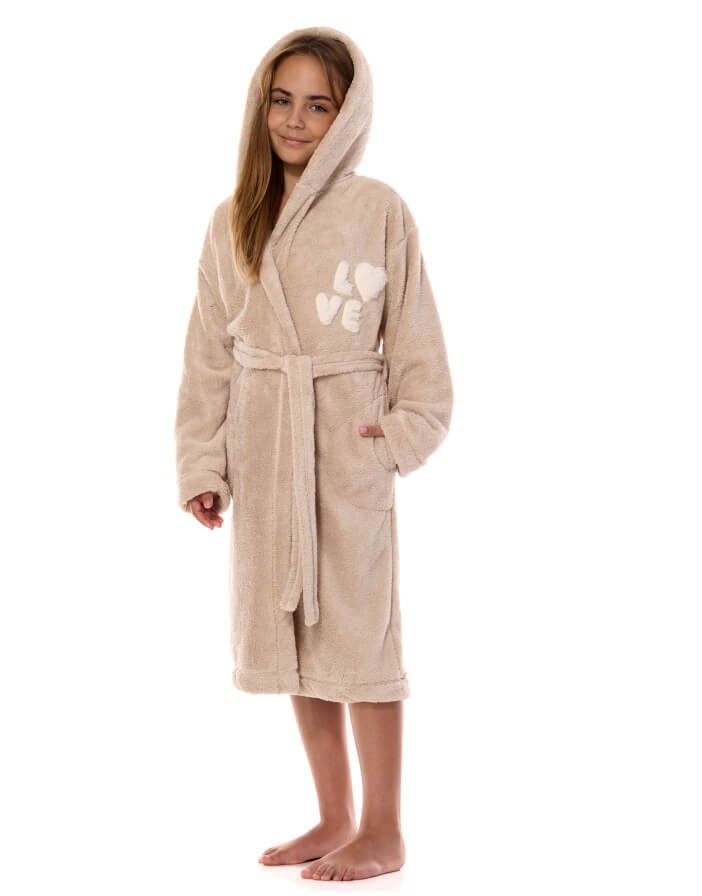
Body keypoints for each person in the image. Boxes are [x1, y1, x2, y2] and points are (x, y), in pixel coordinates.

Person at [174, 25, 453, 882]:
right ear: (261, 105)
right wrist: (204, 463)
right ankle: (335, 816)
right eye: (282, 100)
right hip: (267, 446)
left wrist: (399, 433)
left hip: (345, 443)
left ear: (348, 114)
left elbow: (418, 343)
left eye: (319, 105)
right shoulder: (233, 218)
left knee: (362, 641)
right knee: (297, 635)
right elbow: (208, 355)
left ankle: (385, 829)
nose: (295, 120)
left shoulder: (379, 210)